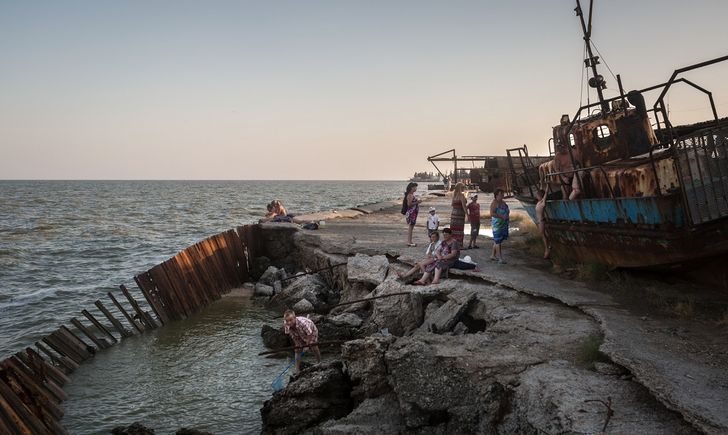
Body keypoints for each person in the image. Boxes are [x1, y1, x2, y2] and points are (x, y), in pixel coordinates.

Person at [489, 189, 509, 263]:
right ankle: (500, 258)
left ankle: (492, 255)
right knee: (498, 241)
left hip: (504, 224)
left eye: (503, 194)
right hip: (497, 224)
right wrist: (501, 216)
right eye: (501, 194)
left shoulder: (503, 202)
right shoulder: (494, 203)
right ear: (497, 195)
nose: (502, 196)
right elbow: (491, 213)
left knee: (498, 240)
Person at [402, 182, 420, 247]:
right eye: (415, 187)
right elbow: (409, 204)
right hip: (411, 213)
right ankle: (409, 242)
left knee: (411, 227)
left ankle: (410, 241)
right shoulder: (410, 195)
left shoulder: (411, 194)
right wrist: (417, 202)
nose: (416, 188)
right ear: (412, 188)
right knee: (410, 227)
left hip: (413, 213)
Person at [535, 189, 550, 259]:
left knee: (543, 235)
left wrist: (548, 185)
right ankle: (548, 246)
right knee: (544, 235)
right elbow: (541, 189)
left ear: (540, 196)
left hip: (541, 221)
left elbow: (545, 193)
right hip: (539, 221)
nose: (536, 196)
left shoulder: (542, 203)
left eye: (537, 195)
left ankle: (547, 249)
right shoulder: (539, 202)